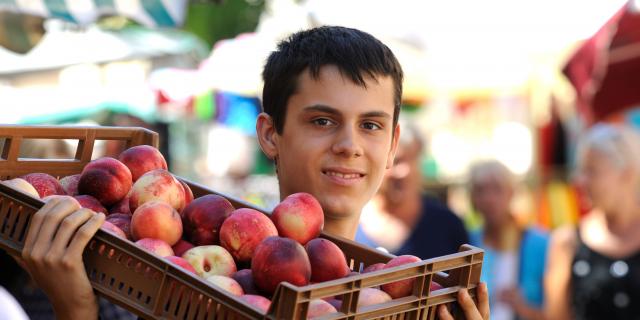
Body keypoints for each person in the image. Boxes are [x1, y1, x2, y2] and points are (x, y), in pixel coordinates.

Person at [18, 26, 489, 319]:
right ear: (269, 135)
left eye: (370, 125)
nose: (349, 145)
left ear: (391, 148)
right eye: (322, 121)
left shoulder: (403, 298)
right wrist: (75, 308)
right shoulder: (185, 280)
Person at [545, 124, 640, 320]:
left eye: (592, 171)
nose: (580, 181)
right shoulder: (568, 241)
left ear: (627, 174)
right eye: (581, 171)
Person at [356, 117, 469, 259]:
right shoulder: (350, 222)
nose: (406, 171)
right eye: (396, 162)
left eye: (414, 160)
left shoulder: (447, 224)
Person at [468, 160, 548, 320]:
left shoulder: (541, 243)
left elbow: (561, 312)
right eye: (481, 190)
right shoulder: (468, 243)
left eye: (497, 189)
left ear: (511, 193)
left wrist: (523, 308)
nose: (489, 199)